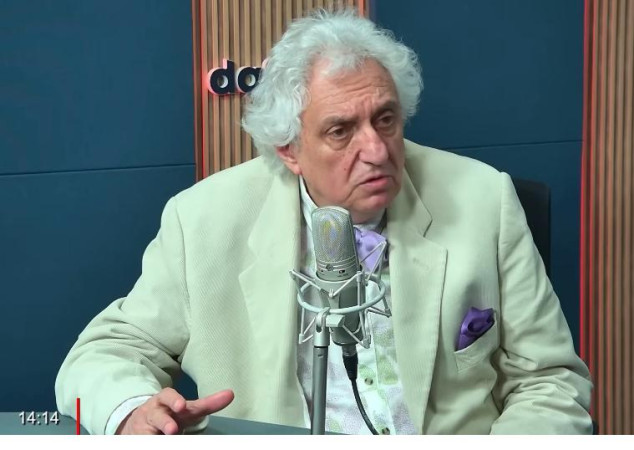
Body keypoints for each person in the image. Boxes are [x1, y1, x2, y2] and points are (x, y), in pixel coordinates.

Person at [55, 9, 593, 435]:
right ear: (289, 149)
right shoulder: (201, 222)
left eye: (386, 119)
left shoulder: (484, 199)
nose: (376, 151)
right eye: (341, 131)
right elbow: (105, 352)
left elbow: (550, 380)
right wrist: (130, 411)